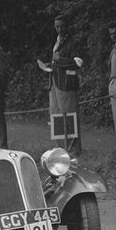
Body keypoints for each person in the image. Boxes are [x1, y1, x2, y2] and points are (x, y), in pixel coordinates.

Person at [37, 15, 84, 155]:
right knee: (56, 116)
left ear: (67, 26)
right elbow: (56, 62)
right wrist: (49, 65)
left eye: (62, 26)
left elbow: (78, 64)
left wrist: (59, 60)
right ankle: (61, 148)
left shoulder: (73, 42)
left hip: (67, 84)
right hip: (54, 83)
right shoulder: (57, 41)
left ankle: (73, 149)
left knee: (69, 115)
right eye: (57, 26)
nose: (59, 29)